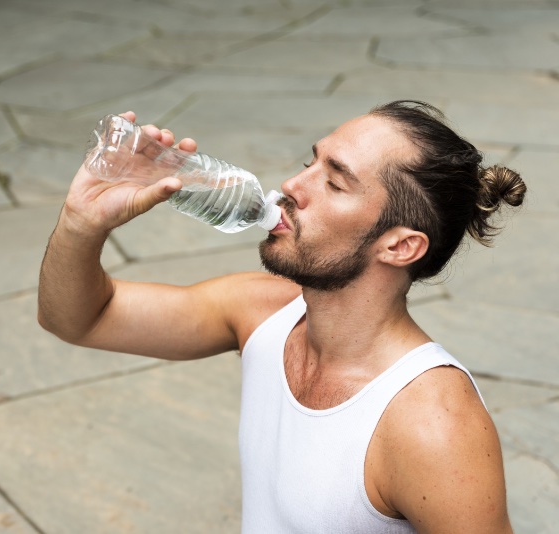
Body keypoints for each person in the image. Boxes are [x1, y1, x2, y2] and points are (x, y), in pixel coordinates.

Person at [38, 101, 526, 533]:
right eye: (309, 161)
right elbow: (80, 318)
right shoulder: (262, 312)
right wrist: (82, 223)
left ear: (399, 246)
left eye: (334, 181)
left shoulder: (432, 422)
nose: (293, 185)